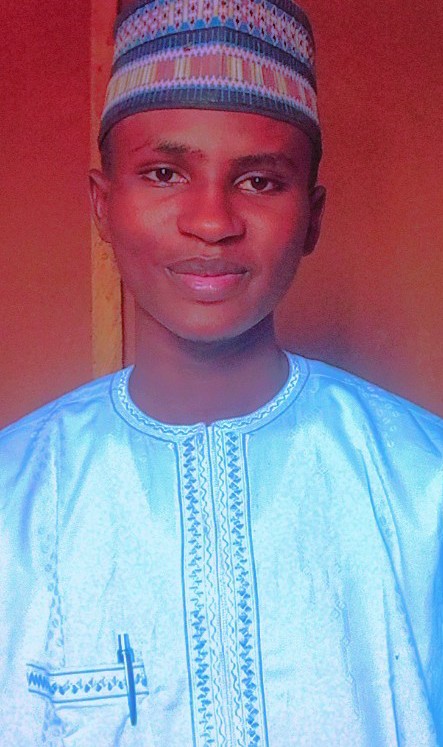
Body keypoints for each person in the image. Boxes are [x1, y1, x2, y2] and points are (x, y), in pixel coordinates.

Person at [1, 1, 442, 745]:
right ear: (103, 206)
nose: (212, 221)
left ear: (312, 216)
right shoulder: (15, 500)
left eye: (260, 181)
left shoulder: (422, 486)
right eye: (164, 173)